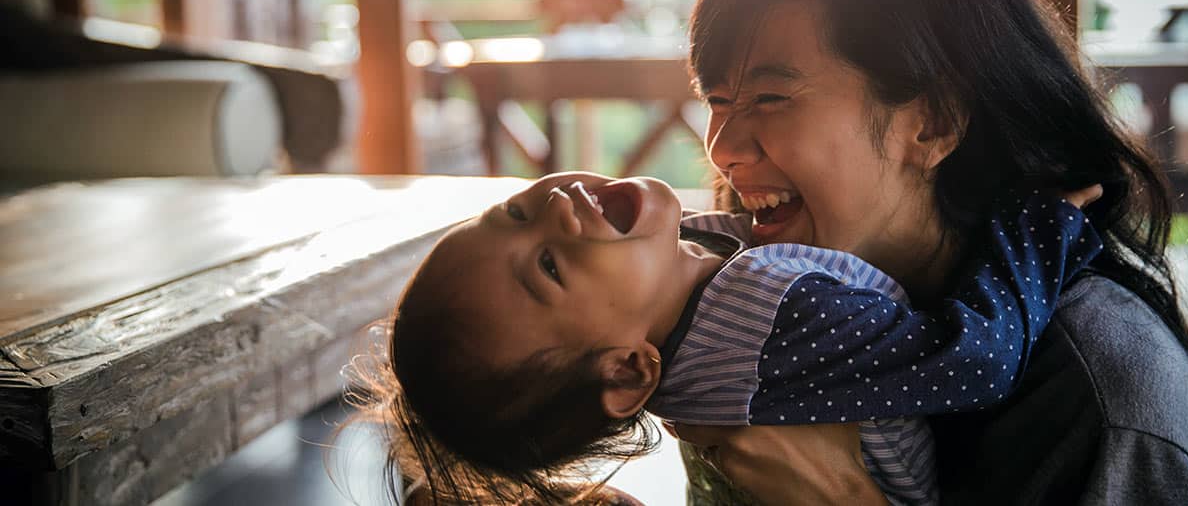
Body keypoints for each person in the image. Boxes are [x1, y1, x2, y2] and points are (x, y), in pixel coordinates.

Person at [671, 0, 1188, 505]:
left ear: (934, 123)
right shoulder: (761, 308)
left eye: (770, 98)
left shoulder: (1099, 391)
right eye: (718, 100)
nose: (724, 147)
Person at [378, 170, 1100, 505]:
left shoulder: (679, 286)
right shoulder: (770, 323)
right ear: (630, 373)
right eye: (547, 265)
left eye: (514, 211)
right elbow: (975, 358)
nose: (557, 206)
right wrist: (1035, 235)